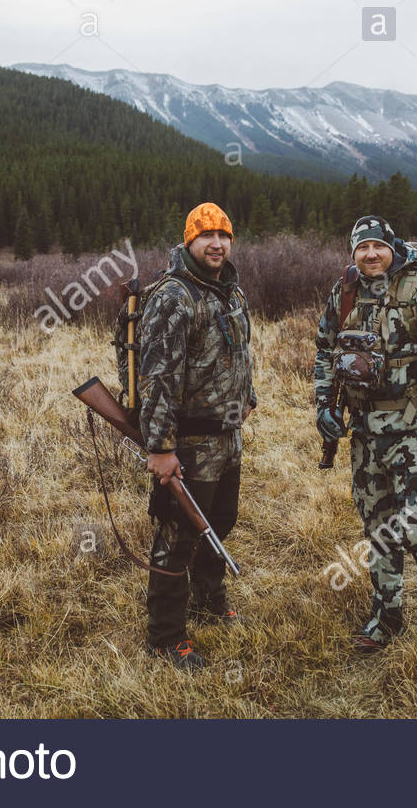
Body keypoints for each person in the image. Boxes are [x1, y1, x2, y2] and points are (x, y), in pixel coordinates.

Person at [314, 215, 417, 660]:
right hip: (365, 436)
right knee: (379, 528)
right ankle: (386, 618)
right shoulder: (344, 293)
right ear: (353, 253)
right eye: (361, 247)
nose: (370, 254)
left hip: (416, 432)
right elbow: (325, 350)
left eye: (377, 246)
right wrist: (324, 405)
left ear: (391, 247)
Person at [138, 202, 256, 670]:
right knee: (177, 534)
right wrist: (161, 447)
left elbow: (241, 350)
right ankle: (165, 636)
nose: (217, 243)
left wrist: (250, 396)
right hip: (187, 443)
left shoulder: (230, 291)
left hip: (227, 438)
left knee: (221, 519)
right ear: (189, 241)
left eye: (224, 235)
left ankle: (208, 599)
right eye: (206, 235)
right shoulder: (174, 296)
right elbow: (158, 379)